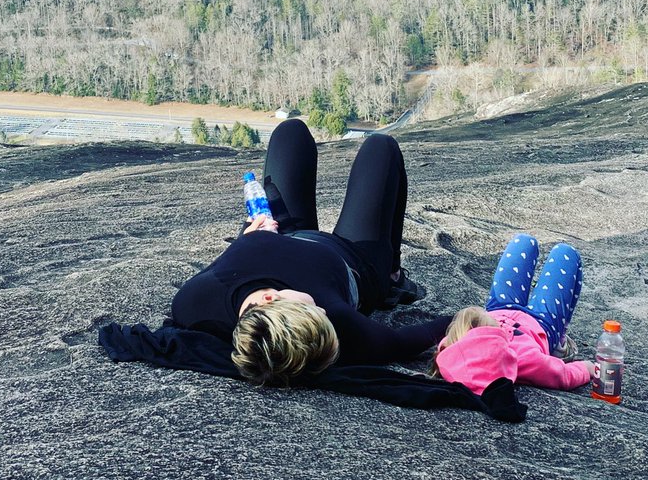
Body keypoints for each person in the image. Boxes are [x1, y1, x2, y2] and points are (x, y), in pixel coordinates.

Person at [169, 119, 451, 386]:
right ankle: (392, 274)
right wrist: (463, 319)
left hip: (284, 232)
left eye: (315, 309)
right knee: (380, 147)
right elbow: (401, 343)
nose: (324, 309)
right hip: (355, 257)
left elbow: (228, 263)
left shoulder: (192, 305)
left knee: (290, 132)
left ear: (269, 299)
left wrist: (249, 233)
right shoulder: (339, 319)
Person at [431, 233, 593, 393]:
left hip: (499, 308)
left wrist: (486, 320)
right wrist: (587, 369)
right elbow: (562, 376)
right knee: (565, 253)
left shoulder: (452, 348)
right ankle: (559, 343)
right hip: (541, 324)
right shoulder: (525, 359)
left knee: (524, 241)